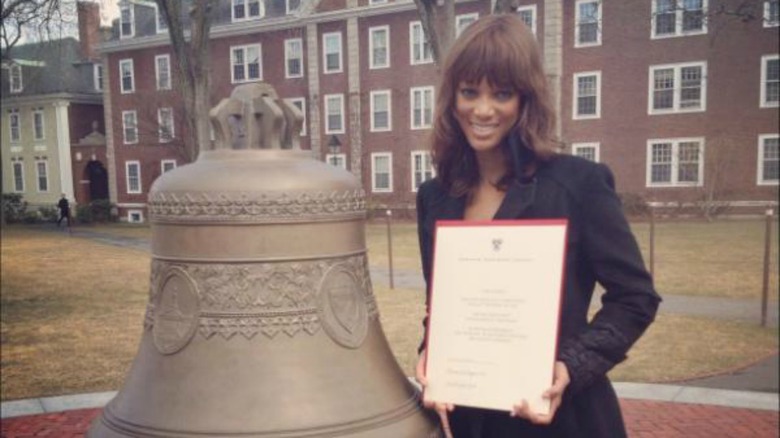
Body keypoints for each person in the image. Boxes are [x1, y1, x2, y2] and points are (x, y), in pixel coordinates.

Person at [414, 14, 661, 438]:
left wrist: (570, 366)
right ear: (452, 98)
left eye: (502, 94)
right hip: (473, 419)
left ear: (525, 99)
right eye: (469, 92)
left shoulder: (577, 185)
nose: (483, 110)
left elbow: (635, 298)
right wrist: (430, 352)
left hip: (562, 418)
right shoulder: (435, 198)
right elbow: (443, 304)